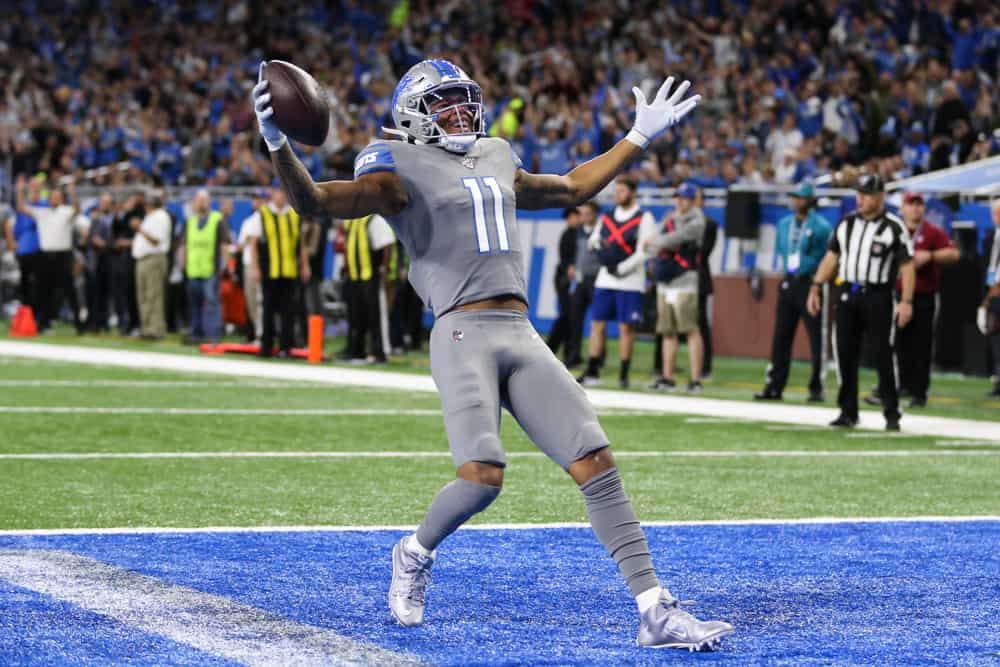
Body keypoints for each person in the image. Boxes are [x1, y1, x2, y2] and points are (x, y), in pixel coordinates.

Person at [254, 59, 732, 650]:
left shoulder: (498, 154)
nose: (458, 113)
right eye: (443, 104)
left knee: (596, 462)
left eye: (463, 101)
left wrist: (636, 136)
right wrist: (277, 143)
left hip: (520, 330)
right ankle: (413, 551)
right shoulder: (393, 163)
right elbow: (317, 203)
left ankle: (654, 609)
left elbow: (573, 187)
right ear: (413, 115)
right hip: (461, 332)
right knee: (482, 478)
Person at [807, 174, 915, 431]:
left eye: (866, 194)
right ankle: (848, 411)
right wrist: (815, 286)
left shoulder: (893, 227)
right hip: (847, 293)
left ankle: (891, 411)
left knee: (882, 354)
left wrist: (906, 301)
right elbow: (832, 257)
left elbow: (907, 266)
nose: (861, 198)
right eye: (859, 193)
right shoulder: (846, 224)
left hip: (878, 295)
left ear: (880, 197)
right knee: (844, 353)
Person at [866, 193, 958, 407]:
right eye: (911, 204)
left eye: (919, 205)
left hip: (924, 295)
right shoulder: (894, 230)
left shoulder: (932, 232)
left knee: (922, 344)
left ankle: (919, 392)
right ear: (903, 208)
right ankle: (891, 386)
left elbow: (954, 254)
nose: (915, 209)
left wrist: (931, 256)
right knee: (892, 343)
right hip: (895, 295)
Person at [755, 181, 832, 402]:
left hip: (811, 283)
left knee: (816, 337)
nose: (797, 201)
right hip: (789, 281)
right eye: (795, 197)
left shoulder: (822, 226)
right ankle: (774, 385)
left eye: (801, 197)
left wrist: (817, 280)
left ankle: (817, 387)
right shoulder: (784, 224)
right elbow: (783, 250)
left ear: (810, 199)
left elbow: (827, 257)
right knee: (781, 336)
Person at [577, 176, 657, 389]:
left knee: (626, 328)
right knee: (597, 324)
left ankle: (624, 373)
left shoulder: (644, 217)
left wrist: (621, 268)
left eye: (622, 191)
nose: (618, 194)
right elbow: (594, 239)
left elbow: (645, 251)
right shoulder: (608, 216)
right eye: (617, 190)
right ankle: (593, 369)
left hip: (630, 281)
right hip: (606, 279)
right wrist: (600, 250)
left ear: (632, 192)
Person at [645, 182, 706, 392]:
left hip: (684, 280)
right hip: (665, 280)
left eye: (684, 198)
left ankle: (696, 379)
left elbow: (671, 239)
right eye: (677, 197)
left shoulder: (697, 220)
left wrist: (657, 242)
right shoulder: (670, 217)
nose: (679, 201)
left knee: (689, 329)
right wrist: (657, 242)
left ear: (692, 200)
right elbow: (657, 241)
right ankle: (667, 376)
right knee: (667, 331)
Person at [15, 175, 83, 333]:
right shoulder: (42, 212)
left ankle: (79, 324)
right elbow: (21, 207)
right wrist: (19, 190)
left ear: (61, 199)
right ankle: (43, 323)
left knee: (69, 290)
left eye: (58, 196)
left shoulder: (66, 211)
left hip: (63, 255)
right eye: (53, 196)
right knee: (43, 290)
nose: (54, 199)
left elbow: (77, 210)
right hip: (45, 255)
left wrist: (73, 193)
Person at [250, 187, 311, 357]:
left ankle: (286, 347)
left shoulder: (293, 214)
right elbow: (254, 244)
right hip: (270, 270)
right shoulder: (262, 214)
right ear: (272, 194)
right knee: (268, 310)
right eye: (279, 192)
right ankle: (266, 346)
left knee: (288, 312)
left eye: (284, 192)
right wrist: (255, 267)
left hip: (289, 270)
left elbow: (301, 244)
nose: (281, 196)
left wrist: (305, 265)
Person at [178, 189, 231, 343]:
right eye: (199, 199)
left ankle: (214, 335)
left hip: (211, 269)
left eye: (204, 199)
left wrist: (224, 265)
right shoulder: (190, 221)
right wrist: (182, 264)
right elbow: (183, 245)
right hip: (193, 269)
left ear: (209, 202)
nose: (201, 202)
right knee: (194, 304)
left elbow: (224, 244)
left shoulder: (217, 219)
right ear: (195, 202)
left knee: (212, 303)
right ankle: (196, 334)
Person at [341, 213, 395, 363]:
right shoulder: (350, 220)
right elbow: (347, 245)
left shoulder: (374, 219)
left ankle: (379, 351)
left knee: (375, 315)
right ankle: (356, 350)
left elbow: (386, 245)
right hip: (354, 275)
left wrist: (385, 268)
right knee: (355, 315)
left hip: (371, 274)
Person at [565, 201, 602, 368]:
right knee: (575, 320)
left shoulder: (602, 231)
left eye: (587, 213)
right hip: (580, 280)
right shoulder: (577, 231)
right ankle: (574, 356)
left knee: (598, 321)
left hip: (597, 279)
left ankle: (598, 357)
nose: (583, 217)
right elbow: (575, 253)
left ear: (594, 214)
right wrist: (572, 265)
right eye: (582, 213)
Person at [131, 190, 172, 340]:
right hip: (143, 259)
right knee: (143, 296)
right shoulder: (150, 217)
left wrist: (139, 229)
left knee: (153, 295)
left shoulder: (161, 216)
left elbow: (156, 240)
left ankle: (156, 329)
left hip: (153, 259)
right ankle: (147, 328)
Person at [546, 206, 580, 359]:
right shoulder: (569, 235)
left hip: (565, 279)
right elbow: (565, 260)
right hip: (566, 280)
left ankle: (566, 351)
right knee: (567, 316)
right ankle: (553, 348)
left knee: (569, 317)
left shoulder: (574, 233)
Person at [83, 194, 116, 332]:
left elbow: (116, 239)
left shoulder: (114, 219)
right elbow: (89, 239)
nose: (103, 205)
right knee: (93, 292)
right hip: (95, 260)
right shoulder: (95, 219)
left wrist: (105, 244)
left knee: (105, 293)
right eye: (102, 202)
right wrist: (92, 239)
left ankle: (104, 321)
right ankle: (93, 322)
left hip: (109, 258)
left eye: (106, 202)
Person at [237, 189, 266, 341]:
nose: (257, 202)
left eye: (260, 199)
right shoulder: (249, 221)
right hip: (248, 263)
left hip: (260, 265)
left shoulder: (267, 219)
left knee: (260, 301)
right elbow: (240, 246)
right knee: (251, 301)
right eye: (255, 199)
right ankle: (258, 332)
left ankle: (262, 334)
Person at [979, 199, 1000, 397]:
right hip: (993, 295)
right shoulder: (990, 237)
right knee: (995, 339)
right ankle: (998, 381)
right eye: (996, 213)